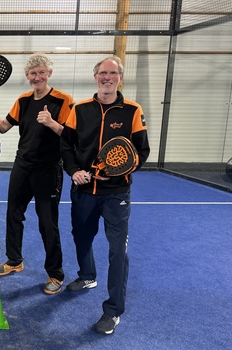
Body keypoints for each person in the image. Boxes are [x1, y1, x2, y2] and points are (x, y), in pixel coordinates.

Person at [60, 55, 150, 335]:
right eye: (102, 73)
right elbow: (66, 145)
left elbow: (141, 152)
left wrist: (115, 173)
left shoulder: (132, 110)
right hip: (84, 190)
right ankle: (87, 276)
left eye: (112, 73)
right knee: (81, 237)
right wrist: (74, 171)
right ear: (95, 76)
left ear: (120, 77)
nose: (107, 77)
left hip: (116, 194)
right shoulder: (80, 108)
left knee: (117, 251)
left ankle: (112, 311)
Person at [0, 53, 74, 295]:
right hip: (22, 166)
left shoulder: (64, 101)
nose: (37, 77)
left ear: (49, 74)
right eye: (33, 74)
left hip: (49, 169)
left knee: (47, 223)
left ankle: (55, 273)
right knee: (13, 214)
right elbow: (3, 127)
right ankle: (14, 260)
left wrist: (52, 123)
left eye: (41, 72)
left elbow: (72, 136)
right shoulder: (23, 100)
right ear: (27, 77)